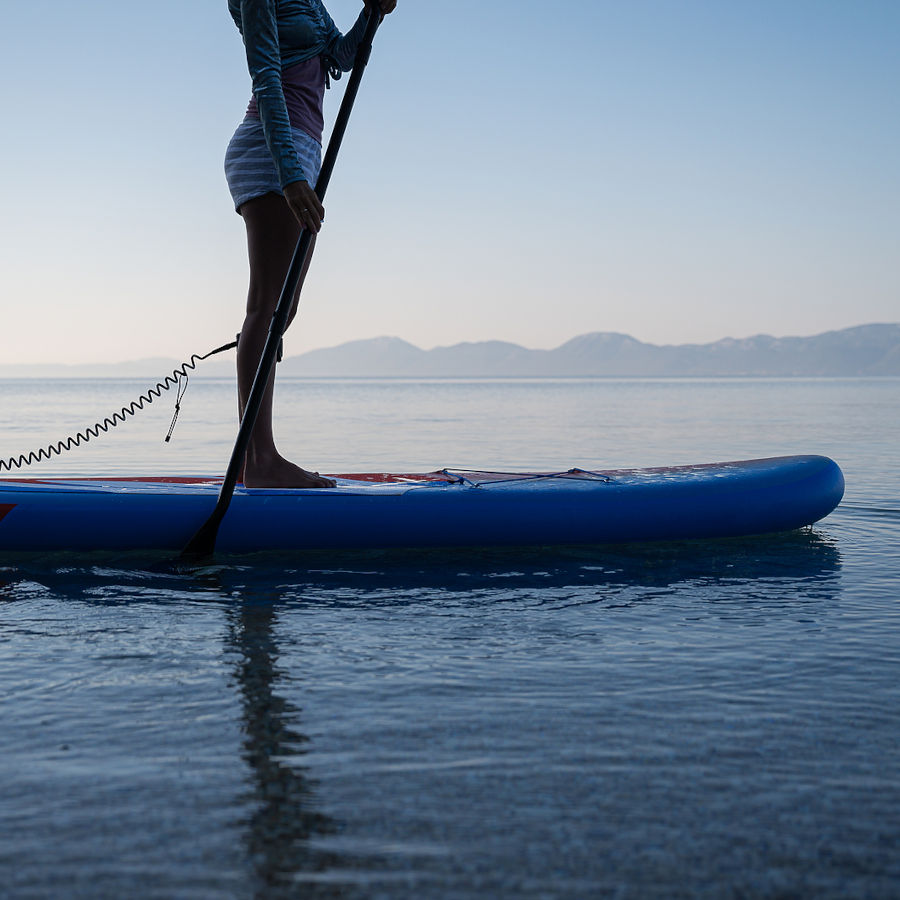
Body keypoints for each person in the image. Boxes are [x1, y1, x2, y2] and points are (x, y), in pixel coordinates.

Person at [225, 0, 396, 488]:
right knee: (266, 310)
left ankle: (249, 459)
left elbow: (340, 57)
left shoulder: (312, 3)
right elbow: (266, 78)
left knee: (282, 310)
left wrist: (371, 13)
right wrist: (290, 174)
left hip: (302, 150)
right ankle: (259, 461)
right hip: (272, 149)